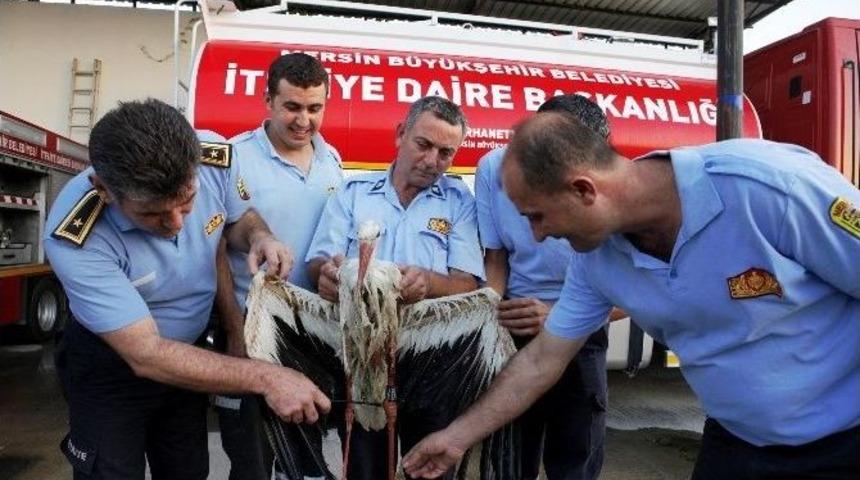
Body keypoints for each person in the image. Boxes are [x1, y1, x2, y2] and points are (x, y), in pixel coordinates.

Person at [403, 112, 860, 480]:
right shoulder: (597, 261)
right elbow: (543, 360)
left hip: (842, 445)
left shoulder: (768, 190)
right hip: (734, 442)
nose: (537, 237)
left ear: (584, 190)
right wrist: (457, 437)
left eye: (538, 216)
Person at [45, 99, 330, 480]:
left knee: (187, 468)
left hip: (192, 360)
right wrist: (266, 376)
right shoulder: (76, 238)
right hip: (111, 369)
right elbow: (146, 354)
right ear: (105, 189)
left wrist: (259, 236)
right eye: (152, 214)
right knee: (111, 471)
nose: (177, 224)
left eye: (187, 202)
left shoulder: (214, 158)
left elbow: (237, 219)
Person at [306, 95, 484, 480]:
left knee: (432, 467)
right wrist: (329, 276)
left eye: (445, 152)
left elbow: (468, 283)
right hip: (365, 359)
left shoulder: (459, 203)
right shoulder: (353, 193)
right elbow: (318, 262)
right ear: (400, 134)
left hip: (433, 358)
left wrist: (430, 282)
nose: (433, 160)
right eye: (424, 144)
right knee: (365, 467)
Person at [214, 52, 343, 480]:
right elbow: (219, 242)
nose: (303, 120)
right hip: (250, 332)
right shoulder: (233, 157)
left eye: (314, 108)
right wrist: (235, 334)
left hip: (312, 337)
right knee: (251, 460)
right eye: (292, 106)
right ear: (268, 101)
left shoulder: (333, 162)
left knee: (305, 459)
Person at [475, 94, 611, 480]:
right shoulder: (492, 169)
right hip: (515, 324)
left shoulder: (607, 183)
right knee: (510, 456)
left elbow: (635, 292)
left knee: (575, 458)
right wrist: (490, 323)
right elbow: (496, 259)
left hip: (584, 330)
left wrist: (558, 315)